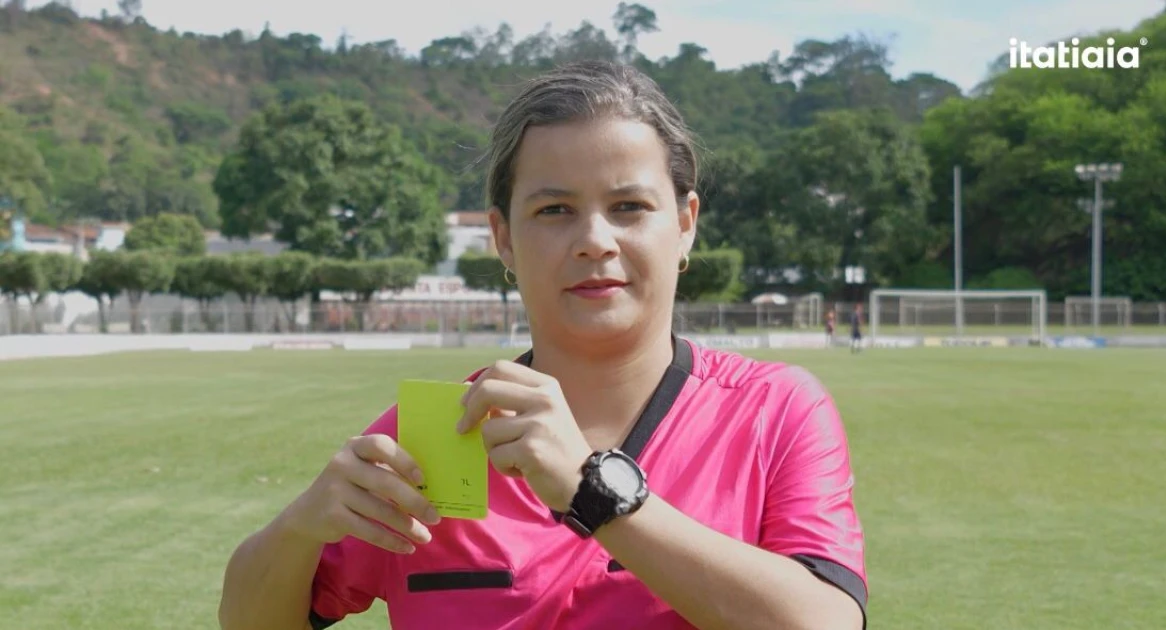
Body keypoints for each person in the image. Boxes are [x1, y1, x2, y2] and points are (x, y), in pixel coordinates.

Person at [218, 60, 867, 630]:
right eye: (554, 210)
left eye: (630, 206)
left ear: (686, 224)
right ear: (502, 237)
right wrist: (300, 527)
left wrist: (594, 493)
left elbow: (826, 622)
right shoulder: (441, 433)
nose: (594, 240)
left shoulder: (774, 411)